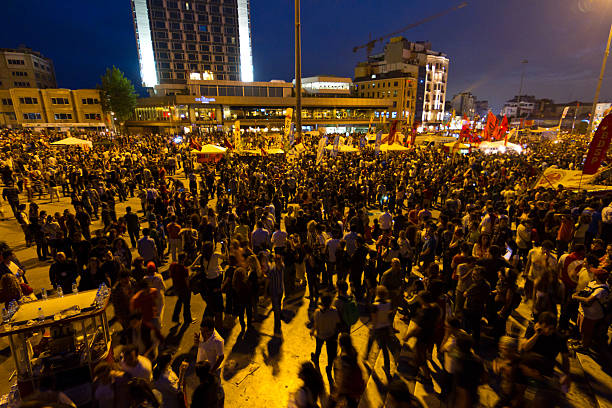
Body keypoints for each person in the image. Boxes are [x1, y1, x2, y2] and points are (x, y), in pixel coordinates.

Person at [519, 311, 571, 390]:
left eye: (551, 328)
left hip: (544, 368)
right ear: (539, 324)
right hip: (528, 363)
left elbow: (565, 359)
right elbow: (525, 347)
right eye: (545, 327)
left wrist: (566, 374)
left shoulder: (559, 338)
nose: (547, 331)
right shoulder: (532, 330)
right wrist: (536, 335)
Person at [572, 267, 610, 349]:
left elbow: (588, 300)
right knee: (581, 330)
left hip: (591, 315)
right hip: (583, 311)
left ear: (597, 277)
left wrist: (575, 297)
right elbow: (585, 291)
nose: (593, 275)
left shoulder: (601, 289)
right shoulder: (593, 282)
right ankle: (581, 341)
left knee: (587, 332)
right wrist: (578, 293)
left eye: (595, 274)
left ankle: (584, 347)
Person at [310, 294, 340, 386]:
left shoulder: (317, 312)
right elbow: (338, 322)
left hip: (320, 335)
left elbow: (315, 325)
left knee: (318, 348)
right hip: (331, 336)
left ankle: (316, 358)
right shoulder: (334, 311)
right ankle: (329, 367)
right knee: (330, 354)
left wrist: (312, 331)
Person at [328, 333, 365, 408]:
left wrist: (335, 394)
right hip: (354, 388)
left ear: (341, 344)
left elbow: (341, 379)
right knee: (352, 404)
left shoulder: (341, 360)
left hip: (345, 388)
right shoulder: (353, 352)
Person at [170, 252, 193, 324]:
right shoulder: (184, 269)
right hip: (184, 288)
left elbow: (170, 274)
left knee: (179, 301)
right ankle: (187, 319)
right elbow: (187, 281)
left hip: (176, 286)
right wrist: (189, 288)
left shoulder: (173, 265)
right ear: (184, 259)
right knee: (186, 304)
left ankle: (175, 317)